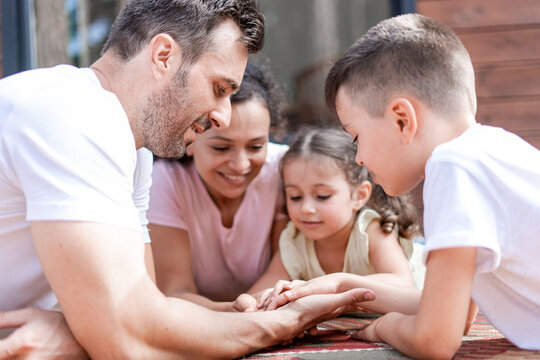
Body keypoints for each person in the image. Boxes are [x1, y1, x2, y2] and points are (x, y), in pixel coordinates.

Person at [0, 0, 376, 359]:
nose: (223, 117)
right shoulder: (73, 114)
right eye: (219, 89)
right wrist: (285, 322)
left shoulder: (135, 152)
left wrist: (243, 311)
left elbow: (145, 309)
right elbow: (129, 339)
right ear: (163, 56)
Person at [268, 13, 540, 358]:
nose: (359, 159)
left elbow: (434, 340)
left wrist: (382, 327)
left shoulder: (453, 165)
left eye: (356, 137)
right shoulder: (494, 151)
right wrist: (342, 283)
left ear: (402, 120)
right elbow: (458, 314)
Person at [234, 127, 425, 312]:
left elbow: (402, 283)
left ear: (359, 196)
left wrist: (327, 285)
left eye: (322, 196)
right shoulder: (294, 241)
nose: (306, 209)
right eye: (295, 197)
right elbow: (261, 291)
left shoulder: (370, 231)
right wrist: (249, 301)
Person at [148, 63, 290, 310]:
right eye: (221, 148)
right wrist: (243, 313)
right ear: (189, 139)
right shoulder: (165, 181)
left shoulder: (285, 171)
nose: (240, 164)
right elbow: (175, 292)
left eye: (256, 146)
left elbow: (286, 274)